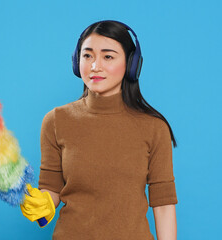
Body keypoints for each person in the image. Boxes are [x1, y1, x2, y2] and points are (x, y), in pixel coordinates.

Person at [20, 20, 178, 240]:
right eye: (87, 55)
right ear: (77, 62)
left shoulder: (154, 128)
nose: (95, 66)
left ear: (131, 64)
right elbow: (51, 188)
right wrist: (44, 202)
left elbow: (163, 204)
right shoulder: (56, 121)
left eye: (108, 56)